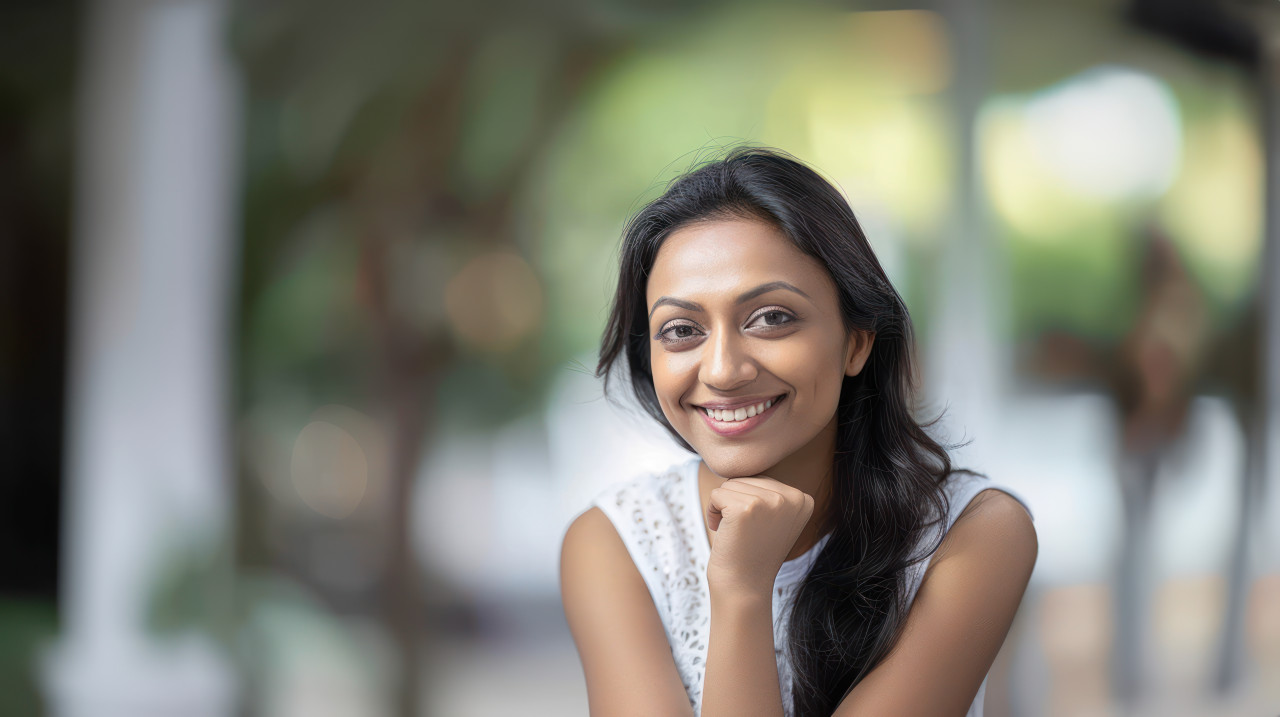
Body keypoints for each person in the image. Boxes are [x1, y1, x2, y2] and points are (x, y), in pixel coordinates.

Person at [559, 146, 1037, 717]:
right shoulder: (614, 543)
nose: (722, 370)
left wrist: (742, 591)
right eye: (682, 329)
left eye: (771, 318)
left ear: (856, 340)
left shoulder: (973, 535)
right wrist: (741, 590)